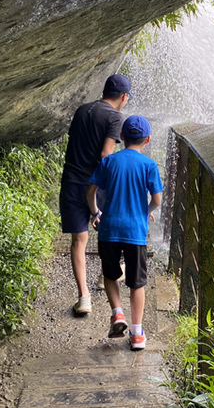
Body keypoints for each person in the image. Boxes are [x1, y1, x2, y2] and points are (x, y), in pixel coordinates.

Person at [87, 115, 163, 351]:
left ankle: (117, 313)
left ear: (121, 137)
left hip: (109, 228)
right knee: (137, 282)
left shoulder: (109, 162)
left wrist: (95, 212)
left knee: (110, 274)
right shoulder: (149, 165)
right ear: (147, 139)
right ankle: (137, 333)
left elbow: (91, 192)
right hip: (135, 232)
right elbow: (157, 200)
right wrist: (145, 211)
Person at [60, 74, 131, 315]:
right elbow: (105, 155)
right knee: (108, 231)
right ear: (123, 97)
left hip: (71, 181)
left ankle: (84, 298)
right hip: (96, 185)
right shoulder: (115, 117)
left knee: (78, 241)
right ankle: (104, 276)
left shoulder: (82, 110)